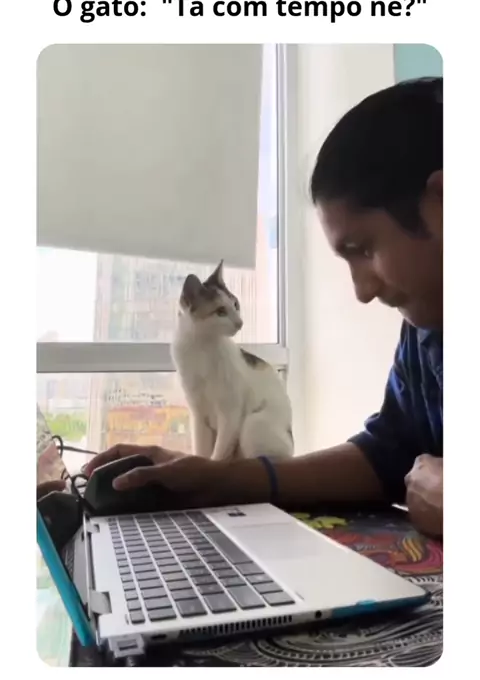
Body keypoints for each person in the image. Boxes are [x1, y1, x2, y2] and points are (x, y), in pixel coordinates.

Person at [84, 77, 443, 538]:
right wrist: (216, 478)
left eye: (364, 249)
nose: (362, 290)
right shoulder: (426, 328)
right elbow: (385, 456)